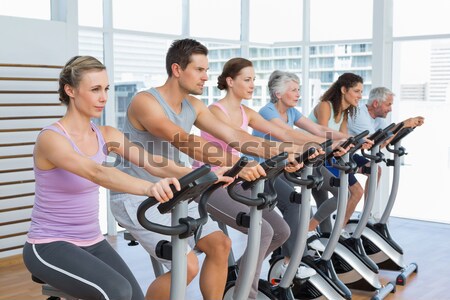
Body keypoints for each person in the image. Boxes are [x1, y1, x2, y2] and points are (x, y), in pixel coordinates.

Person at [109, 39, 307, 300]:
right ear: (178, 69)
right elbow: (182, 139)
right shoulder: (145, 101)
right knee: (187, 266)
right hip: (137, 197)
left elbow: (234, 136)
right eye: (200, 70)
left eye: (206, 70)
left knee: (220, 245)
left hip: (174, 193)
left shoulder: (194, 104)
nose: (206, 77)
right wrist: (241, 164)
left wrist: (285, 153)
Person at [22, 55, 192, 300]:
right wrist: (151, 189)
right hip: (48, 244)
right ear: (70, 90)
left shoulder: (106, 134)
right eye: (94, 89)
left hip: (93, 241)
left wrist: (207, 174)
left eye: (106, 89)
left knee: (134, 296)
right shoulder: (51, 138)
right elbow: (97, 172)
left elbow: (152, 163)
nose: (103, 97)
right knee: (117, 292)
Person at [199, 58, 353, 291]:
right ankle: (246, 292)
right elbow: (243, 142)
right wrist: (294, 149)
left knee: (281, 231)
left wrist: (325, 144)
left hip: (240, 180)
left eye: (253, 80)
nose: (252, 85)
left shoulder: (246, 112)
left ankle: (241, 272)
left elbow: (282, 131)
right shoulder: (214, 111)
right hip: (214, 183)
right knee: (264, 230)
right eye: (247, 79)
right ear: (230, 81)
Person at [308, 72, 371, 233]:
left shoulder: (344, 112)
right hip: (317, 156)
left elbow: (342, 139)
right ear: (344, 90)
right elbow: (322, 133)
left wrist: (355, 143)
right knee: (353, 191)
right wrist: (349, 141)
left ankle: (333, 232)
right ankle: (313, 229)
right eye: (357, 91)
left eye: (361, 92)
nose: (360, 96)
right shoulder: (325, 106)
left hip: (331, 153)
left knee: (372, 167)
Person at [348, 86, 425, 142]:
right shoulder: (358, 115)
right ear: (375, 103)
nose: (390, 109)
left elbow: (388, 135)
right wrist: (403, 124)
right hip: (341, 157)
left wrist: (409, 124)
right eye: (388, 104)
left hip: (351, 154)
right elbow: (374, 142)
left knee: (376, 165)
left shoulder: (378, 117)